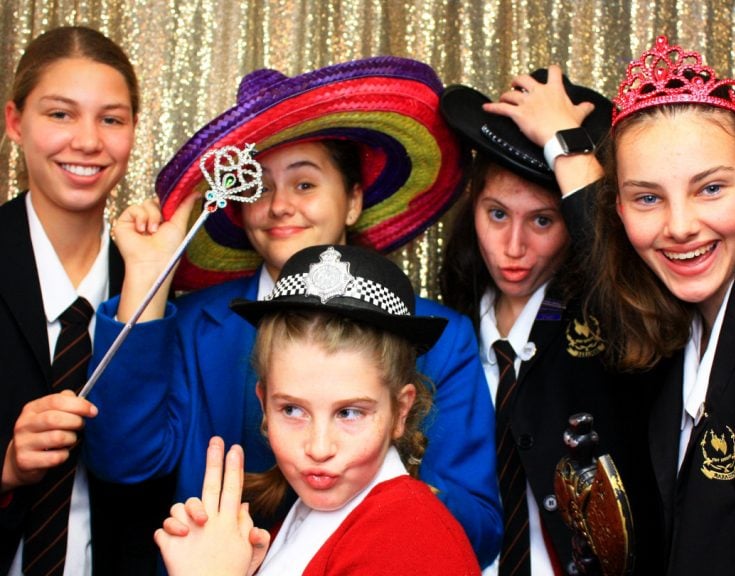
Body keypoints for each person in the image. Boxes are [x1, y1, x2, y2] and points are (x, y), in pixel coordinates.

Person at [83, 57, 502, 567]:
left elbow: (476, 528)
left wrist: (370, 500)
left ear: (352, 200)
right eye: (258, 186)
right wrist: (148, 281)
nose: (280, 205)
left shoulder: (443, 338)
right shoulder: (195, 324)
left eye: (304, 184)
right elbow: (122, 462)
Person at [155, 244, 482, 575]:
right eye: (293, 410)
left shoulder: (412, 541)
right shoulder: (315, 513)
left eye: (349, 413)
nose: (319, 448)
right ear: (264, 404)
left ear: (400, 411)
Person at [439, 68, 642, 576]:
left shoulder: (616, 324)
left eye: (542, 220)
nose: (513, 249)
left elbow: (630, 276)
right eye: (498, 214)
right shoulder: (441, 333)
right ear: (472, 209)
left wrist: (564, 143)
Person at [583, 35, 735, 575]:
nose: (681, 226)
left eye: (710, 188)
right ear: (617, 207)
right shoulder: (676, 331)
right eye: (648, 198)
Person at [0, 26, 173, 575]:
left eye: (111, 119)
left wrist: (150, 276)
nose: (88, 141)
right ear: (14, 123)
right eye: (60, 114)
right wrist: (4, 467)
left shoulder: (158, 280)